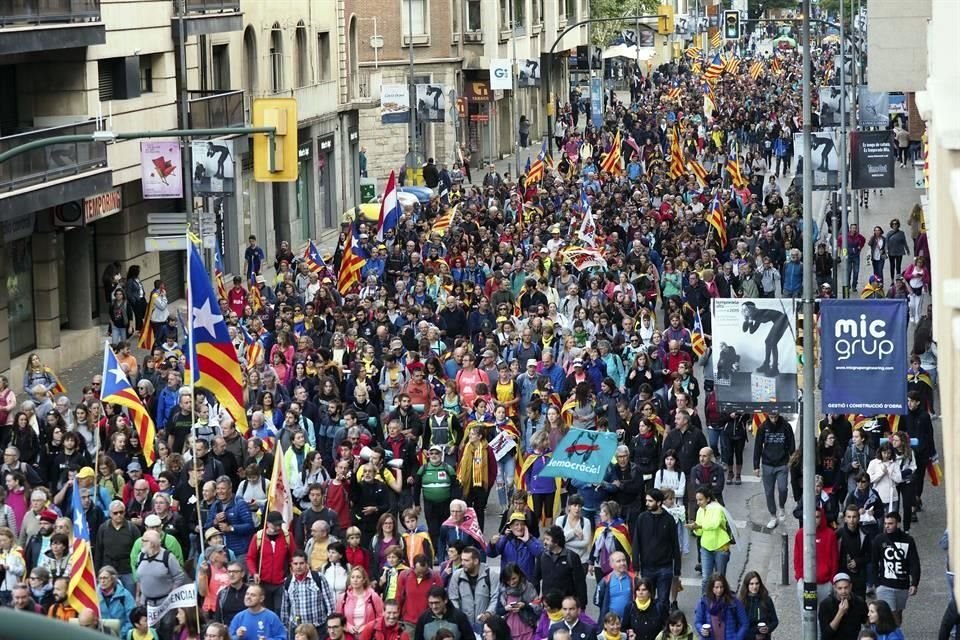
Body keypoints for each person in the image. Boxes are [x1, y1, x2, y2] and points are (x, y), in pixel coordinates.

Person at [632, 489, 680, 612]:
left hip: (665, 567)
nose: (647, 503)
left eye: (650, 501)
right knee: (647, 600)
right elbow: (636, 542)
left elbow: (675, 544)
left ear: (659, 503)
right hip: (647, 567)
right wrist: (636, 566)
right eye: (646, 500)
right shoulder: (642, 518)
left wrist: (677, 569)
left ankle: (663, 626)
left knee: (663, 601)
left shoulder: (669, 520)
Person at [872, 512, 920, 628]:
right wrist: (877, 583)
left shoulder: (908, 540)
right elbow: (873, 562)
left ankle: (894, 634)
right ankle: (894, 635)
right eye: (885, 523)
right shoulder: (879, 539)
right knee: (891, 615)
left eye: (890, 523)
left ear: (898, 524)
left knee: (898, 613)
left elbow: (914, 563)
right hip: (885, 585)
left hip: (902, 585)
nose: (887, 526)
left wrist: (914, 583)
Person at [753, 410, 796, 529]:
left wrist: (792, 462)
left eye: (775, 413)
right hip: (767, 464)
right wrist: (756, 466)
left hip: (782, 463)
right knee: (769, 492)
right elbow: (757, 447)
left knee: (783, 488)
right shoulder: (763, 427)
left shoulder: (786, 426)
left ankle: (781, 506)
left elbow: (792, 444)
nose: (773, 416)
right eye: (771, 414)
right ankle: (773, 515)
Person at [686, 487, 732, 594]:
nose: (698, 503)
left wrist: (699, 525)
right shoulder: (700, 511)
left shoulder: (717, 508)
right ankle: (705, 603)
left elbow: (714, 524)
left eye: (700, 499)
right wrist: (695, 529)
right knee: (706, 579)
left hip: (721, 547)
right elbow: (700, 533)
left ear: (707, 498)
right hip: (706, 547)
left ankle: (721, 603)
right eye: (697, 500)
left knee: (720, 579)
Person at [280, 550, 336, 634]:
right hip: (298, 630)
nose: (298, 566)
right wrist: (285, 627)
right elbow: (285, 608)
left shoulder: (318, 577)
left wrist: (330, 624)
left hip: (318, 628)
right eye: (295, 564)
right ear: (291, 565)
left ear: (307, 563)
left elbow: (330, 604)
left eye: (301, 563)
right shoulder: (287, 582)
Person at [533, 525, 587, 611]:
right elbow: (535, 579)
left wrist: (582, 605)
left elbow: (580, 583)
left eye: (547, 539)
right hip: (548, 606)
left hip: (566, 607)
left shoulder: (572, 557)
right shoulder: (542, 557)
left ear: (556, 542)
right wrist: (534, 598)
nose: (544, 542)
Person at [449, 545, 499, 633]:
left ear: (476, 561)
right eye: (462, 559)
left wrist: (488, 614)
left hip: (486, 625)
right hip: (464, 625)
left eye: (466, 560)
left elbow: (496, 597)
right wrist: (459, 616)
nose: (463, 563)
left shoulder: (491, 574)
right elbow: (453, 598)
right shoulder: (457, 575)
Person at [793, 508, 838, 603]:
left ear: (821, 518)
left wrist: (831, 581)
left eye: (817, 517)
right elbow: (797, 558)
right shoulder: (800, 534)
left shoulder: (830, 535)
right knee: (806, 615)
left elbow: (834, 559)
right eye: (812, 517)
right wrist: (799, 577)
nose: (814, 520)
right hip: (805, 582)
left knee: (824, 615)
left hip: (824, 583)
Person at [740, 302, 789, 377]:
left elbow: (751, 330)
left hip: (782, 318)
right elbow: (751, 331)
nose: (744, 312)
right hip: (777, 320)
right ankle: (766, 364)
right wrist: (747, 321)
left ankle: (774, 368)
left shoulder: (758, 314)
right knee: (768, 342)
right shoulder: (754, 315)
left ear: (751, 309)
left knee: (771, 342)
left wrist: (750, 320)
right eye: (743, 310)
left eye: (745, 309)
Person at [692, 575, 748, 640]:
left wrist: (737, 638)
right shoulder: (704, 602)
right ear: (711, 587)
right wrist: (701, 630)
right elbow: (698, 621)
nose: (719, 590)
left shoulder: (733, 602)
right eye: (716, 587)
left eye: (721, 587)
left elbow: (744, 623)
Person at [737, 571, 778, 639]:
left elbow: (775, 621)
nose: (754, 586)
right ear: (747, 585)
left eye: (757, 583)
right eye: (751, 584)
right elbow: (739, 626)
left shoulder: (766, 600)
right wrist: (754, 637)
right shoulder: (741, 602)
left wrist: (768, 629)